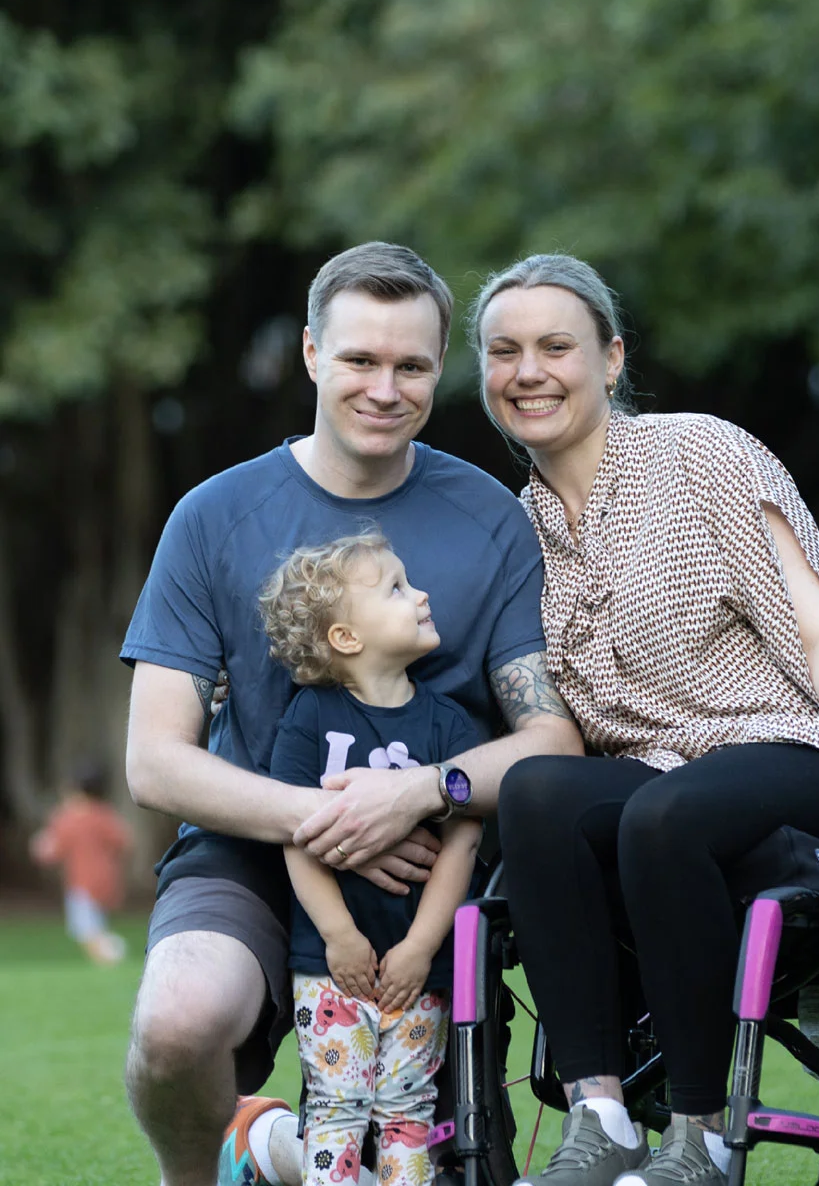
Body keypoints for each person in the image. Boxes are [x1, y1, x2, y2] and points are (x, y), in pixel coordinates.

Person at [470, 253, 819, 1186]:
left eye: (556, 346)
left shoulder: (698, 453)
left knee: (665, 815)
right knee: (540, 793)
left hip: (799, 752)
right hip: (655, 785)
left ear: (612, 357)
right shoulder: (522, 528)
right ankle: (601, 1119)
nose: (529, 371)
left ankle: (703, 1136)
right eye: (504, 352)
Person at [120, 242, 583, 1186]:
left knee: (407, 1146)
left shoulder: (490, 517)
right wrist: (330, 820)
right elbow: (155, 763)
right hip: (251, 845)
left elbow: (550, 736)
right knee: (175, 1025)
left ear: (438, 368)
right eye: (360, 360)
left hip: (431, 869)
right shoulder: (213, 517)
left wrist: (418, 793)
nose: (386, 387)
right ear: (309, 355)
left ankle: (283, 1146)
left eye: (411, 365)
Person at [260, 531, 484, 1186]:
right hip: (334, 966)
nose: (419, 594)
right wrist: (338, 935)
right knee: (335, 1106)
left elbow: (463, 842)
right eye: (394, 587)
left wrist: (421, 946)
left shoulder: (450, 728)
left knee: (410, 1111)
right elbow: (294, 833)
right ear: (346, 640)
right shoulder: (311, 719)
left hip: (420, 965)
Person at [30, 764, 134, 965]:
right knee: (93, 925)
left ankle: (112, 956)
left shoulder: (68, 818)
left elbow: (49, 851)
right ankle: (110, 953)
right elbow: (124, 842)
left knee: (85, 929)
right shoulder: (104, 815)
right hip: (106, 879)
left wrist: (38, 844)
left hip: (82, 882)